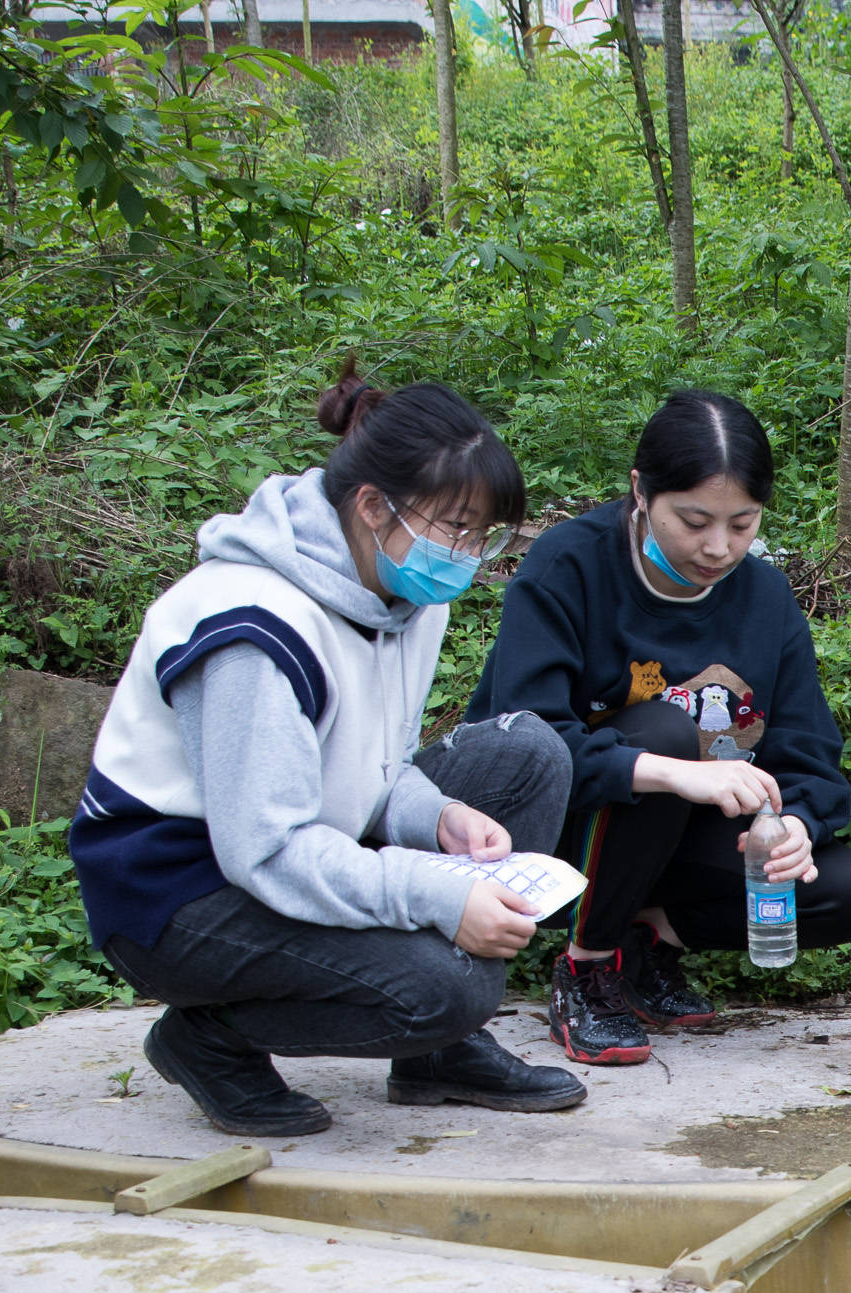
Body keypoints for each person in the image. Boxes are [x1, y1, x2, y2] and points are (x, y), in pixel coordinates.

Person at [71, 366, 589, 1139]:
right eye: (456, 528)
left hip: (295, 834)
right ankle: (209, 1038)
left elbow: (373, 765)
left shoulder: (403, 593)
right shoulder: (252, 627)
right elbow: (269, 849)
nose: (470, 554)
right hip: (179, 893)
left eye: (487, 534)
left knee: (529, 756)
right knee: (448, 985)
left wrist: (436, 814)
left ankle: (437, 1059)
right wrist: (437, 895)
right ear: (373, 507)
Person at [469, 388, 851, 1068]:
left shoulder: (765, 599)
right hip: (552, 833)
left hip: (674, 841)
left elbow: (810, 755)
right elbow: (526, 738)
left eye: (742, 524)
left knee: (844, 892)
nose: (718, 548)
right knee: (663, 734)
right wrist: (678, 770)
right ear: (641, 491)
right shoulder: (569, 566)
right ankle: (586, 969)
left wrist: (799, 826)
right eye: (694, 521)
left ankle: (644, 941)